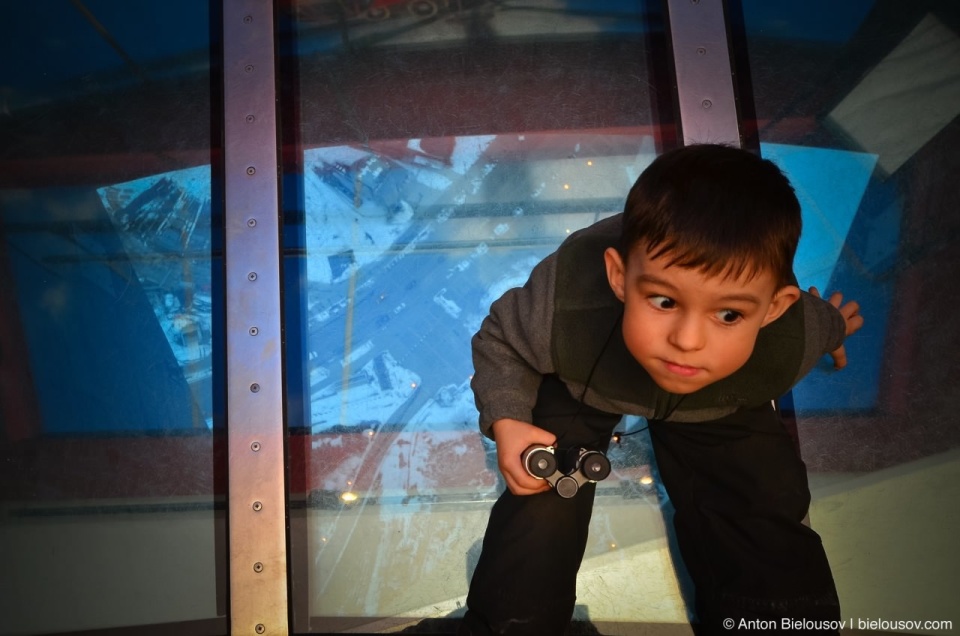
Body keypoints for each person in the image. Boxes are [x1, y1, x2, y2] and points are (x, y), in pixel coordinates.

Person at [458, 144, 864, 636]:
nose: (687, 342)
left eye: (729, 314)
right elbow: (501, 337)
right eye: (665, 301)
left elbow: (822, 323)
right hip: (585, 380)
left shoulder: (789, 338)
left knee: (763, 502)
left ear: (774, 309)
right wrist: (506, 419)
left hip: (718, 404)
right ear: (620, 279)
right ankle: (511, 623)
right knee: (539, 496)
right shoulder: (565, 309)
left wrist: (836, 327)